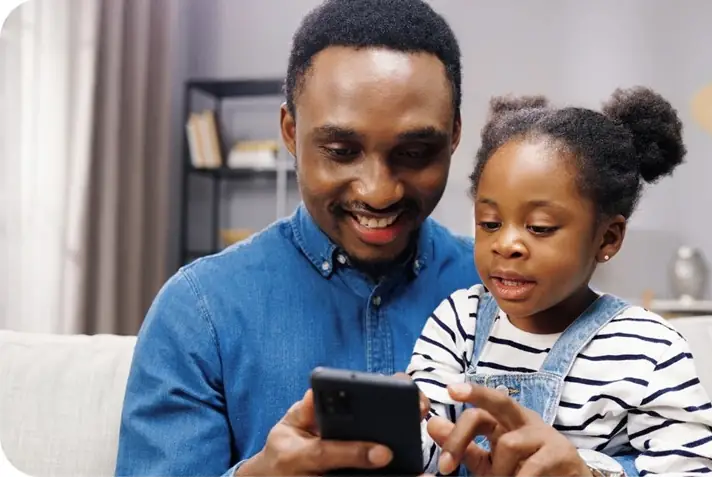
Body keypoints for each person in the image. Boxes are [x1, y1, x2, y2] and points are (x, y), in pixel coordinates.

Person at [113, 1, 480, 476]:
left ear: (453, 136)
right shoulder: (198, 311)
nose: (379, 191)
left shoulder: (507, 288)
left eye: (414, 153)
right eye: (341, 152)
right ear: (291, 131)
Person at [405, 89, 712, 476]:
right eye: (490, 223)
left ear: (607, 238)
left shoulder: (648, 347)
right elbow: (426, 453)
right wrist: (395, 432)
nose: (506, 244)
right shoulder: (459, 320)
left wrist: (586, 472)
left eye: (540, 227)